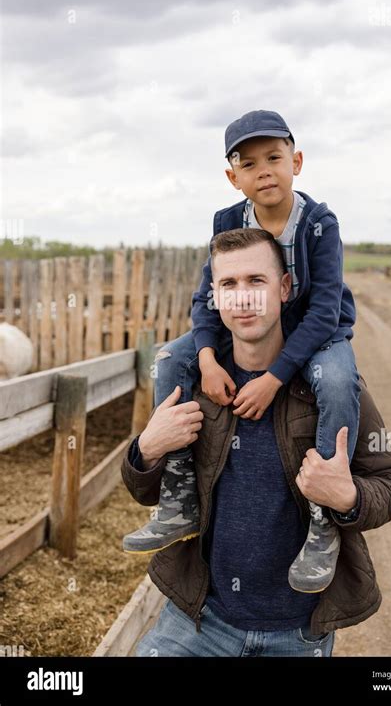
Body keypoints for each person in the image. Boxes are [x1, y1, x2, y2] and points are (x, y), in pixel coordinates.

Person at [121, 229, 391, 657]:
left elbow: (390, 483)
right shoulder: (194, 383)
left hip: (298, 633)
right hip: (198, 620)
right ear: (212, 297)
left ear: (285, 288)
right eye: (228, 285)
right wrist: (146, 449)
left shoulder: (333, 388)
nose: (243, 297)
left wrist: (347, 496)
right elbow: (146, 492)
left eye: (257, 281)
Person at [123, 109, 360, 594]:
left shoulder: (318, 222)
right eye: (248, 164)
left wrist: (274, 377)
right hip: (247, 321)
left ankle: (323, 518)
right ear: (233, 178)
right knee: (170, 359)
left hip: (317, 328)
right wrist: (208, 357)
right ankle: (180, 491)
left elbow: (323, 309)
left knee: (336, 381)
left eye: (274, 157)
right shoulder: (228, 221)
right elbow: (206, 297)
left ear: (296, 161)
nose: (264, 171)